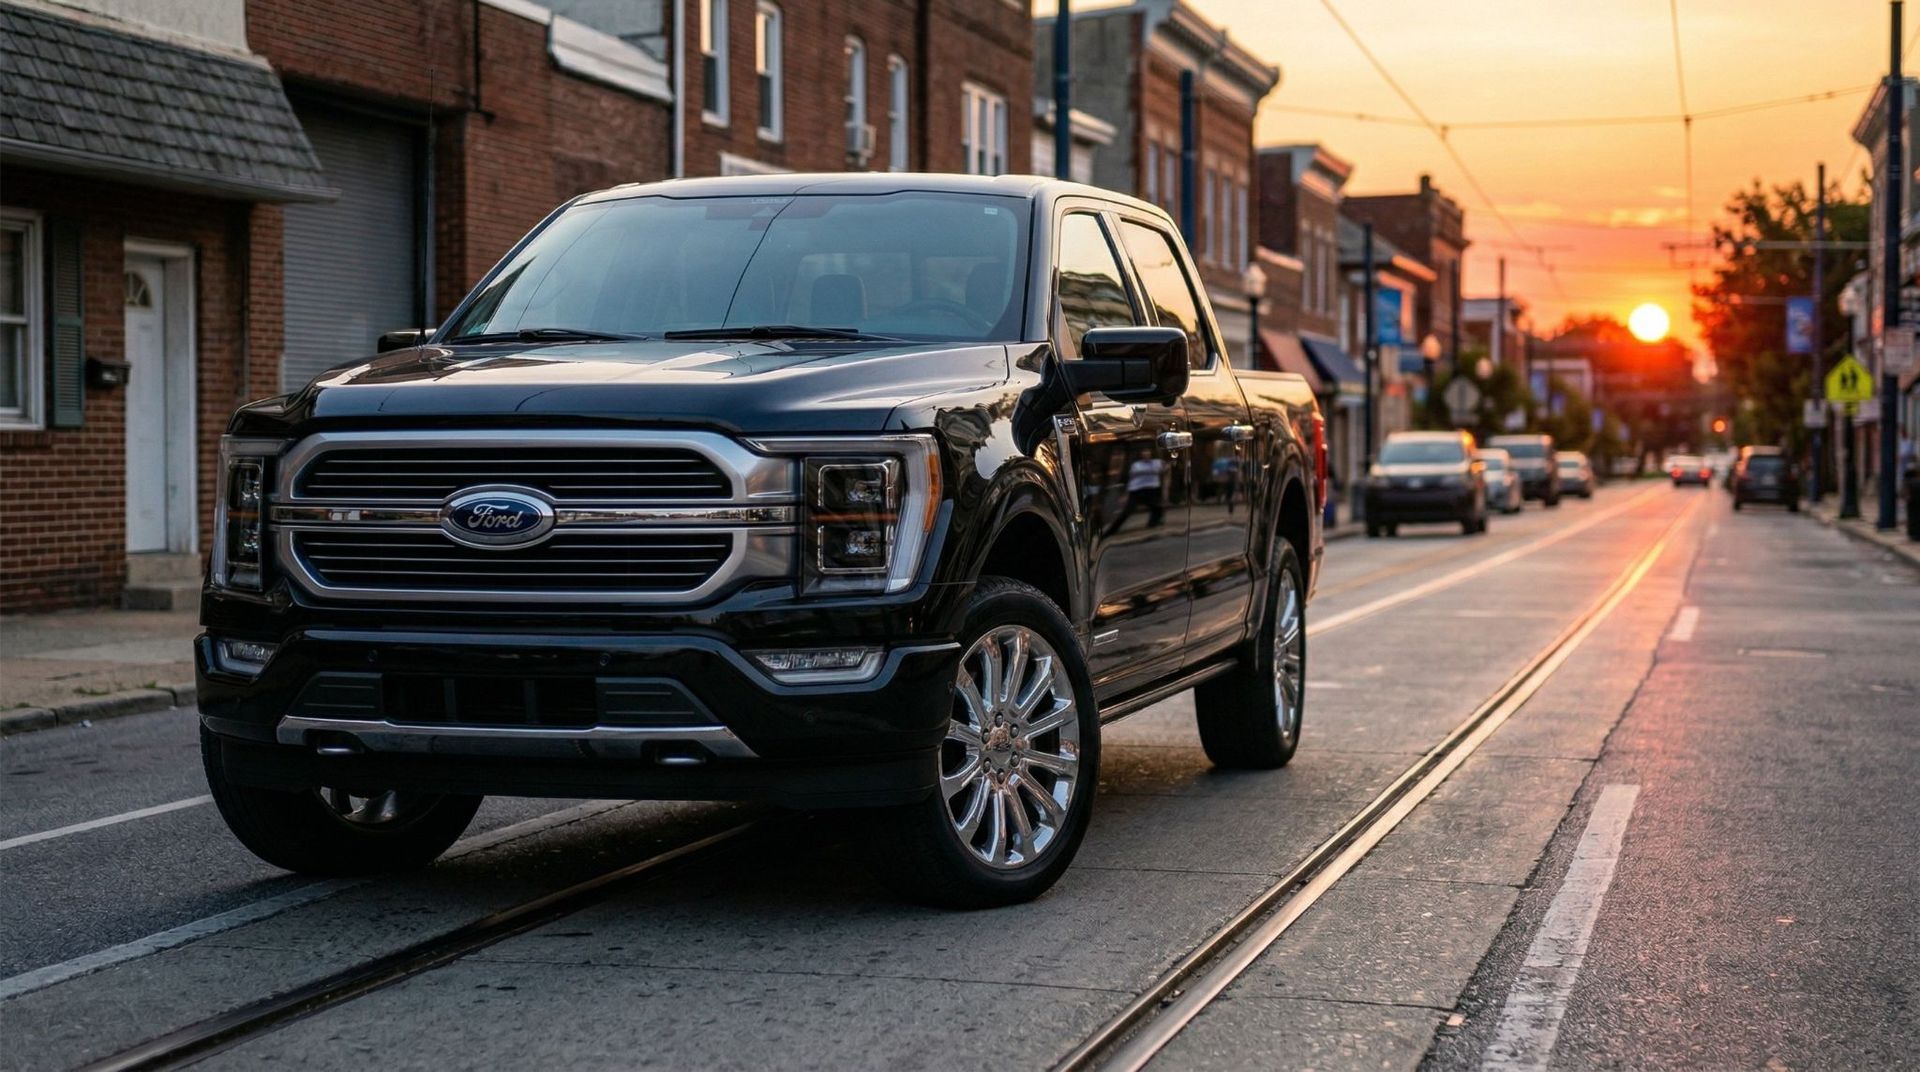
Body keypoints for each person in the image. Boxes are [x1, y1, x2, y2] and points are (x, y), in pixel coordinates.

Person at [1105, 452, 1166, 536]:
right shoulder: (1137, 465)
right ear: (1141, 456)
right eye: (1145, 454)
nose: (1146, 456)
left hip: (1151, 489)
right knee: (1128, 510)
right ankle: (1112, 530)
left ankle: (1153, 523)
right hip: (1137, 490)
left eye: (1148, 454)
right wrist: (1126, 494)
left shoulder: (1156, 462)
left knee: (1156, 506)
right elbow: (1131, 479)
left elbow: (1164, 469)